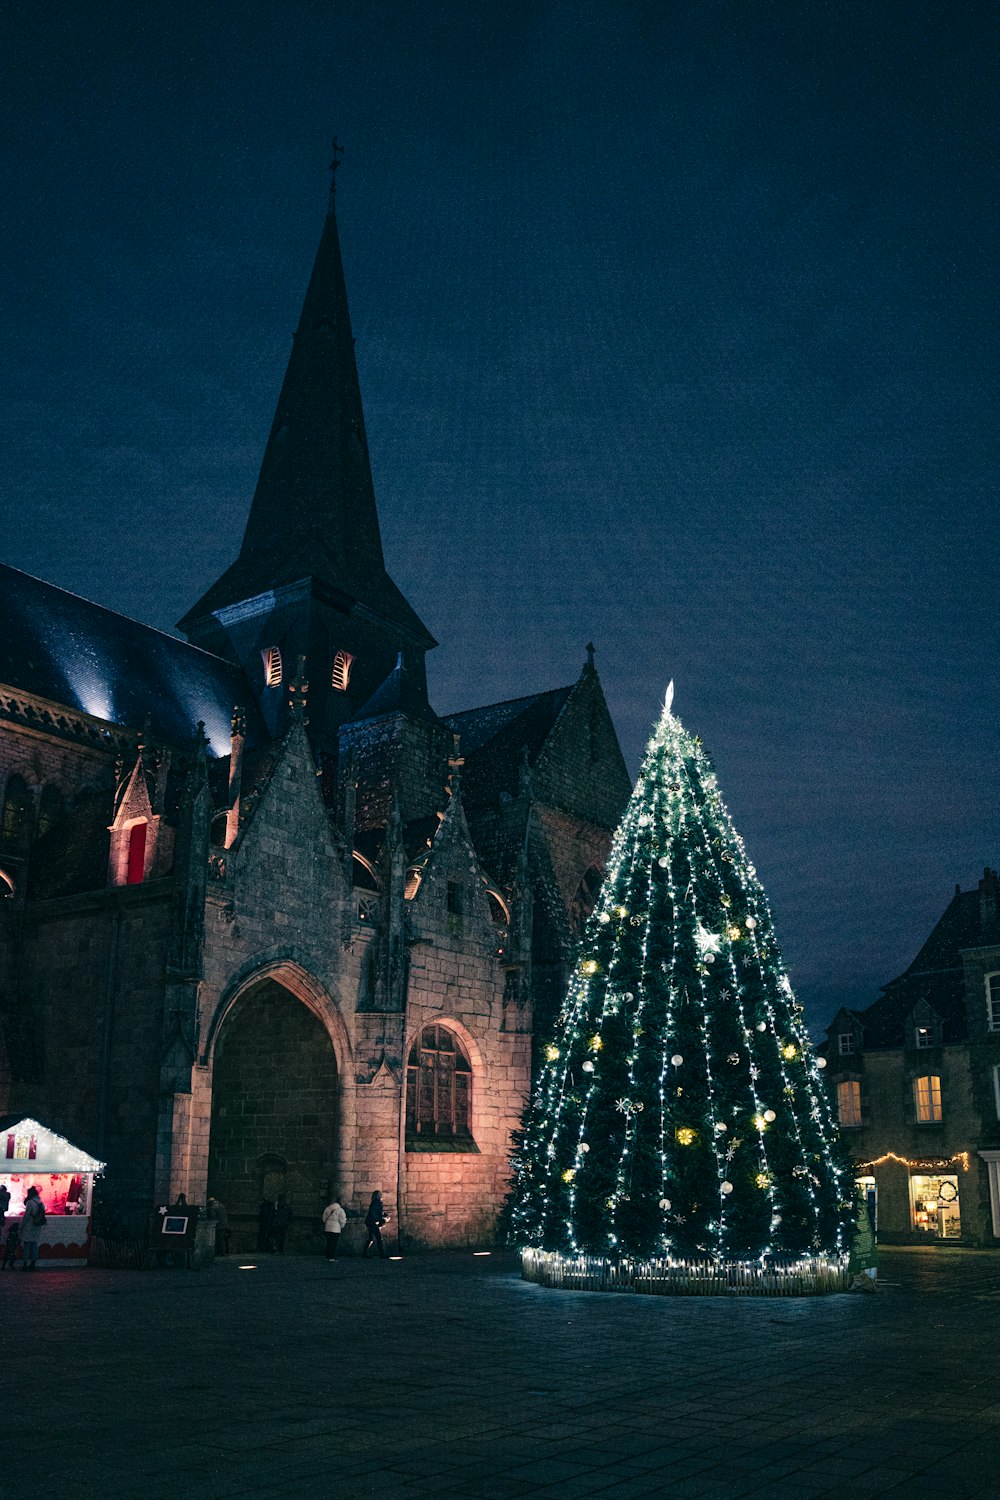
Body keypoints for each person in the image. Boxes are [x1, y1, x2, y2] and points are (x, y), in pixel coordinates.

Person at [20, 1186, 45, 1271]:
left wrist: (21, 1226)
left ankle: (25, 1263)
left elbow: (26, 1216)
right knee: (34, 1245)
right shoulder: (41, 1203)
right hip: (37, 1227)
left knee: (27, 1245)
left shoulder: (30, 1203)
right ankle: (33, 1263)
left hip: (29, 1226)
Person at [363, 1191, 388, 1259]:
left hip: (371, 1222)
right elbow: (374, 1213)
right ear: (377, 1196)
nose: (381, 1195)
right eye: (380, 1194)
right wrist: (381, 1220)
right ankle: (382, 1254)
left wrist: (384, 1215)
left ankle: (364, 1253)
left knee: (371, 1238)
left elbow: (378, 1212)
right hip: (372, 1222)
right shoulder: (377, 1202)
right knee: (378, 1238)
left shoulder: (375, 1202)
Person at [322, 1195, 347, 1260]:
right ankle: (331, 1256)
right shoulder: (340, 1210)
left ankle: (327, 1256)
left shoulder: (328, 1208)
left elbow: (324, 1218)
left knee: (328, 1242)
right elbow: (342, 1220)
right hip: (336, 1229)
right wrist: (341, 1226)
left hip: (327, 1228)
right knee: (333, 1243)